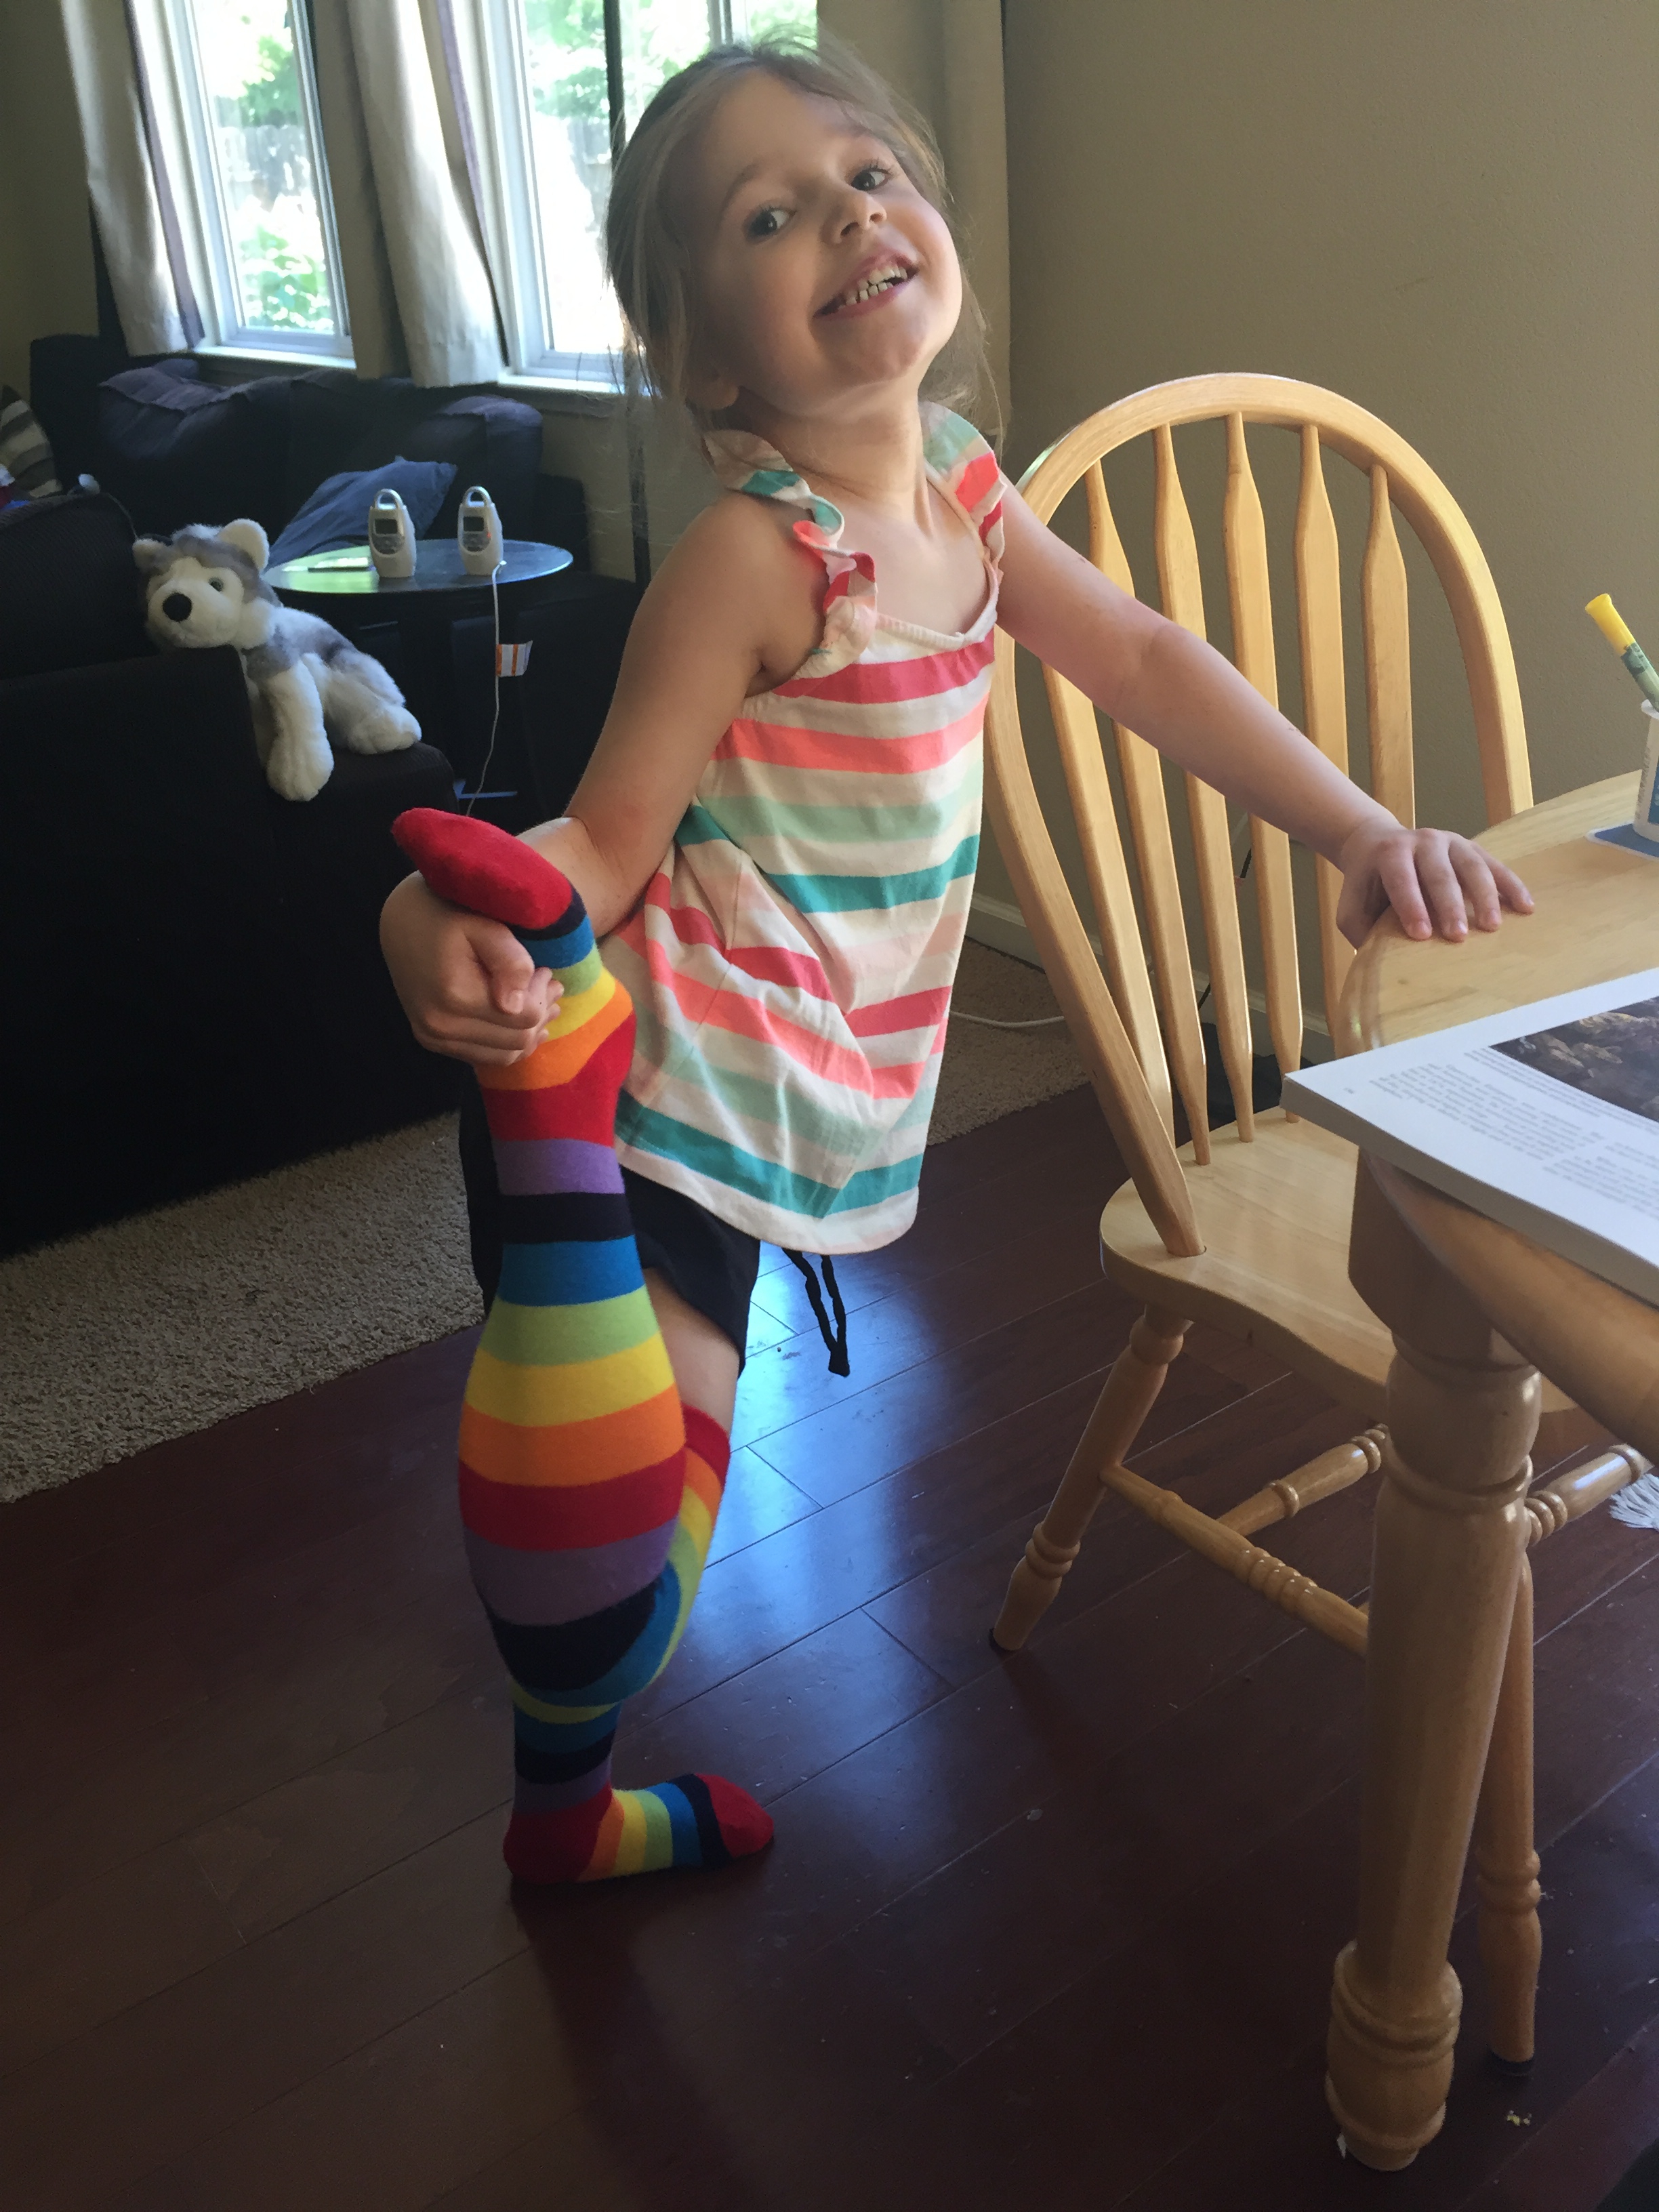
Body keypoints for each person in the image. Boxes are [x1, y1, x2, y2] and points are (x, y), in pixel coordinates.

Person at [380, 38, 1532, 1887]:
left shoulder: (967, 495)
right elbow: (604, 839)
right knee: (612, 1527)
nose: (846, 215)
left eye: (867, 174)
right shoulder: (759, 558)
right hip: (660, 1072)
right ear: (707, 361)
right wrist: (438, 914)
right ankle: (569, 1804)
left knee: (652, 1530)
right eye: (769, 216)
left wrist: (1357, 831)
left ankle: (560, 1805)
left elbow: (1144, 657)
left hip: (800, 1074)